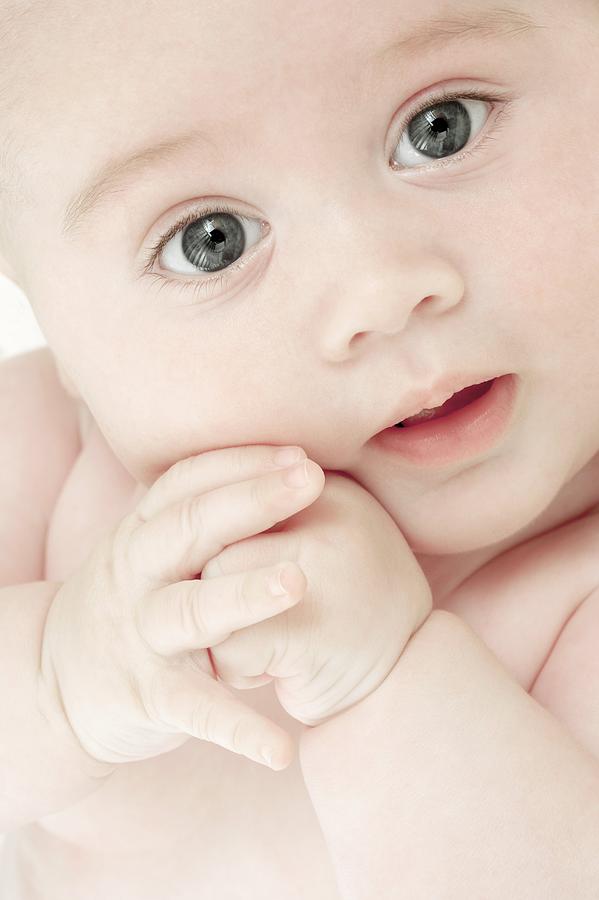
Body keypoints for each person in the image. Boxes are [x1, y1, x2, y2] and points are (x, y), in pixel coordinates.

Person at [1, 0, 599, 896]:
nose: (380, 291)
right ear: (58, 330)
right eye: (212, 242)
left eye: (441, 129)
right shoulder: (46, 458)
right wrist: (54, 680)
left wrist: (382, 679)